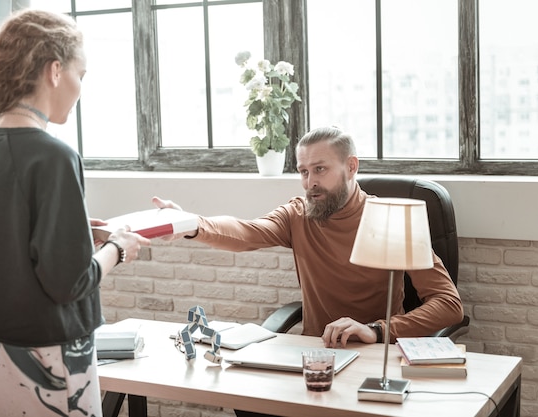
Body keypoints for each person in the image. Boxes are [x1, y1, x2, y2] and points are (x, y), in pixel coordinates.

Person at [154, 126, 464, 417]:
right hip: (315, 357)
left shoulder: (390, 221)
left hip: (375, 359)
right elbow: (248, 232)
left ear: (351, 167)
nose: (310, 182)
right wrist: (191, 224)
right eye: (303, 171)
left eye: (320, 169)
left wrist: (378, 330)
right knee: (244, 395)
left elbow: (449, 305)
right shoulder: (298, 214)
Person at [0, 9, 147, 417]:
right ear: (55, 70)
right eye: (81, 75)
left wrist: (74, 230)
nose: (80, 88)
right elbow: (69, 283)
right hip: (42, 358)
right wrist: (119, 248)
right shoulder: (54, 156)